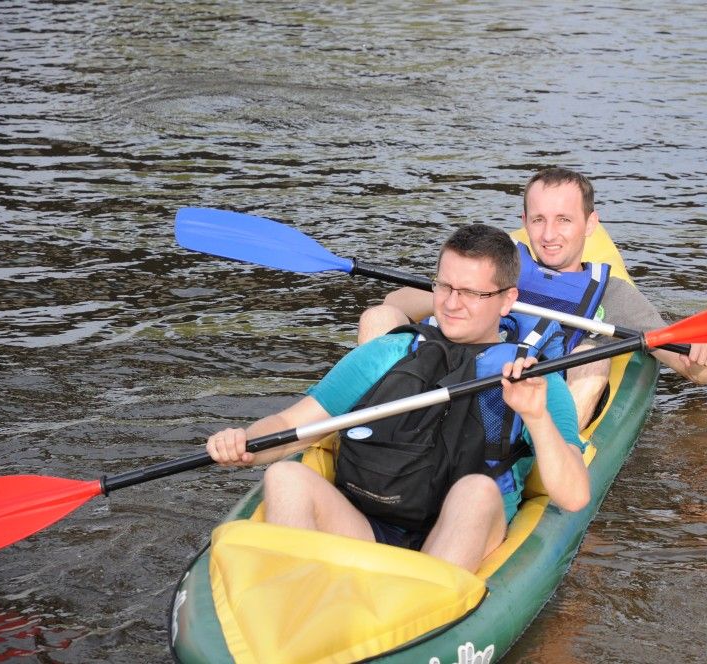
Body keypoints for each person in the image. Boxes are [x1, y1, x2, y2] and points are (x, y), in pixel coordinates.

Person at [206, 224, 588, 573]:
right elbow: (291, 425)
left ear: (507, 301)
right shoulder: (391, 352)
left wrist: (535, 418)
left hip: (457, 545)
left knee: (477, 490)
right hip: (369, 527)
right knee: (285, 476)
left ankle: (424, 619)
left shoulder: (532, 377)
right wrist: (244, 443)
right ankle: (296, 602)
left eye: (472, 292)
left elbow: (573, 496)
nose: (453, 304)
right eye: (445, 287)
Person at [358, 167, 707, 429]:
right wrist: (454, 290)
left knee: (592, 357)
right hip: (453, 373)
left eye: (564, 220)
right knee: (377, 316)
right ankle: (370, 425)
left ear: (591, 224)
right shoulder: (498, 263)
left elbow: (693, 371)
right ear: (524, 221)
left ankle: (554, 464)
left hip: (529, 411)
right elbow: (397, 304)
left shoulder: (612, 294)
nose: (549, 234)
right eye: (538, 220)